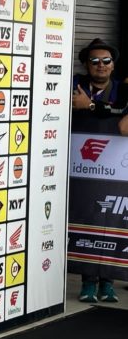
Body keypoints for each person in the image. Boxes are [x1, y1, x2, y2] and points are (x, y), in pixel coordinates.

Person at [71, 37, 127, 303]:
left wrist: (91, 107)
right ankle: (88, 283)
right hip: (81, 168)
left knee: (112, 222)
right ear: (86, 64)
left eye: (106, 61)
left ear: (113, 65)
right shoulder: (74, 84)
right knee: (86, 218)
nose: (101, 65)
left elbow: (122, 117)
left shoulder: (123, 88)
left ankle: (108, 284)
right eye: (94, 61)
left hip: (116, 171)